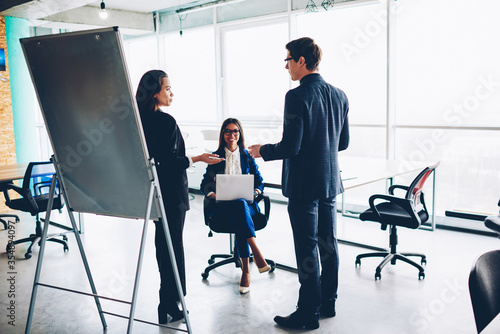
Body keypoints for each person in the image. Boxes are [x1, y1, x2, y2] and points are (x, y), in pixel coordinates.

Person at [248, 37, 349, 330]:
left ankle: (307, 313)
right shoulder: (340, 95)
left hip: (304, 186)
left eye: (288, 60)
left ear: (302, 61)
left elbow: (291, 148)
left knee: (307, 250)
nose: (286, 67)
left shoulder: (296, 96)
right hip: (330, 183)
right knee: (328, 244)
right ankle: (327, 303)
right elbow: (342, 142)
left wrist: (262, 150)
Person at [135, 70, 224, 324]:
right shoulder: (165, 122)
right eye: (168, 89)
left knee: (163, 246)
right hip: (171, 194)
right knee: (172, 247)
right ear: (155, 93)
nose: (172, 93)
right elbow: (170, 164)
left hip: (152, 193)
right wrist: (197, 158)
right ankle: (172, 302)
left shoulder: (138, 121)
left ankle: (167, 301)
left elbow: (154, 162)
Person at [200, 118, 271, 294]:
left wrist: (255, 193)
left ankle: (246, 270)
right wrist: (214, 194)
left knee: (240, 206)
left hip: (247, 207)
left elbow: (260, 182)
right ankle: (255, 253)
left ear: (240, 134)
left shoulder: (247, 156)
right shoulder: (215, 157)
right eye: (228, 131)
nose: (232, 135)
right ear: (223, 134)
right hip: (223, 208)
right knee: (238, 207)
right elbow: (205, 185)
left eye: (235, 132)